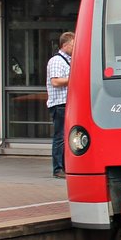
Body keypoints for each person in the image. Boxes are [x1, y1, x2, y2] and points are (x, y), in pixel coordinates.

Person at [46, 32, 75, 179]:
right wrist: (74, 78)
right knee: (60, 137)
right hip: (59, 104)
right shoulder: (57, 61)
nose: (75, 47)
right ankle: (58, 168)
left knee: (65, 137)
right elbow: (55, 81)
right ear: (64, 45)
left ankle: (64, 166)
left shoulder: (68, 60)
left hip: (66, 103)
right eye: (72, 44)